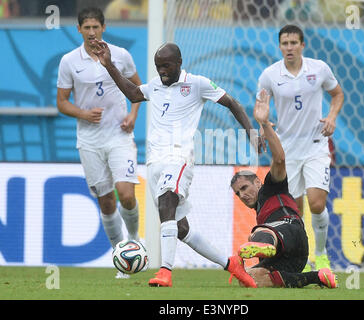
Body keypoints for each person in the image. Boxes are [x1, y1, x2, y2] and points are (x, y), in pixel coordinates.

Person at [92, 40, 265, 287]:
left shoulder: (197, 84)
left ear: (179, 63)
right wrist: (109, 65)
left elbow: (233, 103)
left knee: (166, 202)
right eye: (158, 66)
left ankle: (165, 271)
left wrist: (251, 132)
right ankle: (231, 264)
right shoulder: (155, 86)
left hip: (179, 156)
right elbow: (132, 93)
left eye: (166, 66)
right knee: (180, 228)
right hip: (154, 162)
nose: (161, 70)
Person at [56, 7, 142, 278]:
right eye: (86, 28)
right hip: (89, 141)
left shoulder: (121, 55)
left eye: (96, 27)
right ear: (79, 30)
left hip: (119, 135)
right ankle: (121, 260)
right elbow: (61, 102)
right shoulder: (69, 61)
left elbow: (138, 90)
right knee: (106, 202)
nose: (91, 32)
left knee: (126, 194)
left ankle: (135, 239)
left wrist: (132, 115)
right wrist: (83, 113)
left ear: (104, 28)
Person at [256, 24, 344, 271]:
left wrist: (332, 117)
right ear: (280, 46)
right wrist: (264, 124)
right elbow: (260, 108)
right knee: (294, 211)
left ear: (303, 45)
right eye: (285, 43)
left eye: (294, 43)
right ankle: (303, 260)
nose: (289, 47)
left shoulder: (319, 69)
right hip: (287, 151)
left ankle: (322, 253)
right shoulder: (269, 75)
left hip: (316, 145)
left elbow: (337, 95)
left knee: (317, 203)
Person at [231, 88, 337, 288]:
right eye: (238, 193)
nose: (243, 194)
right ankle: (317, 277)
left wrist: (264, 125)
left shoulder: (272, 187)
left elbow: (280, 159)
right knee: (250, 279)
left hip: (291, 230)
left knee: (260, 232)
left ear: (257, 182)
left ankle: (264, 242)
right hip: (295, 258)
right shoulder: (260, 209)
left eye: (244, 187)